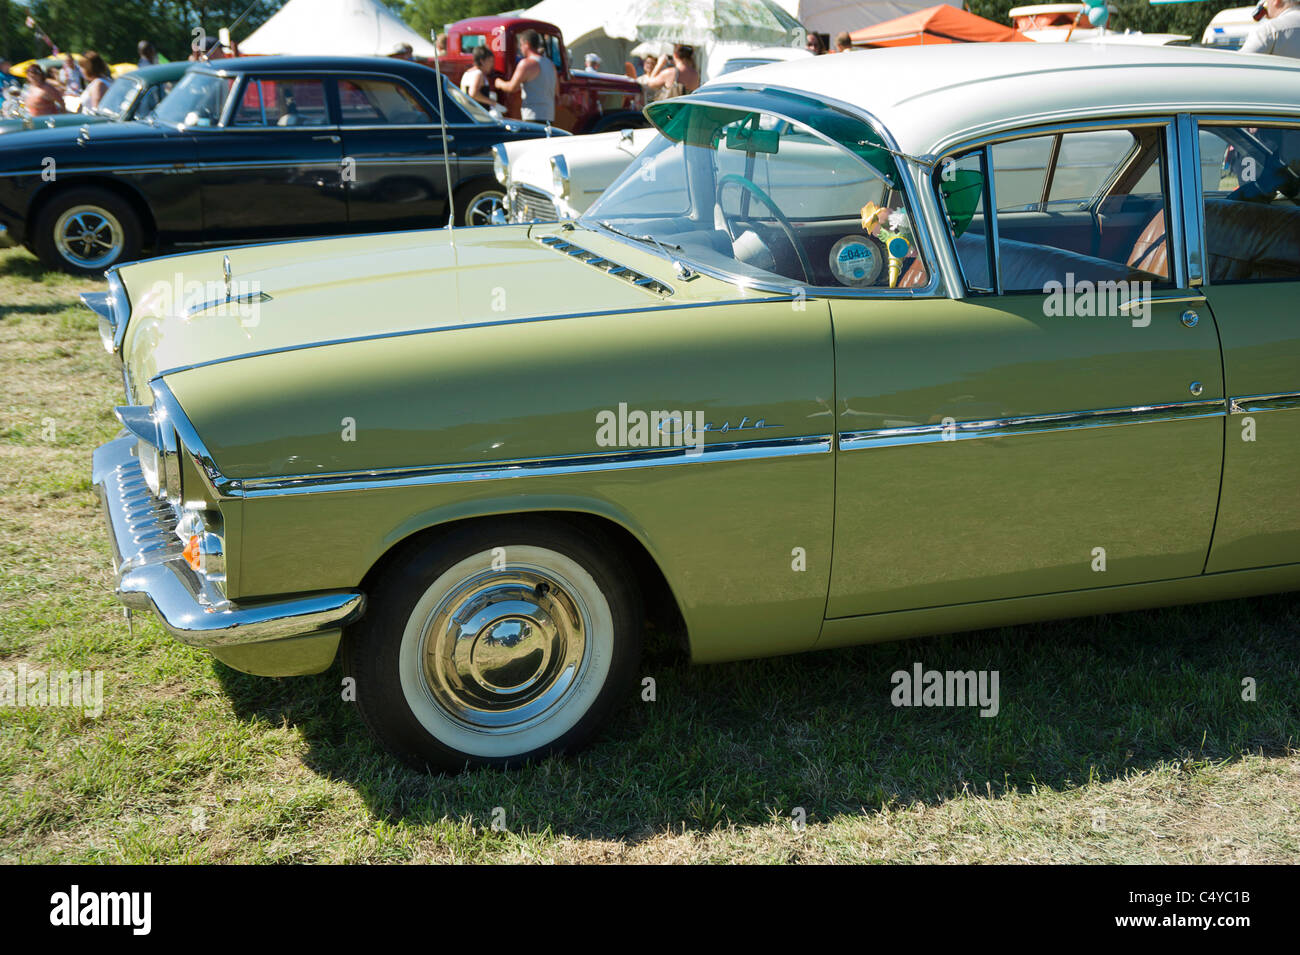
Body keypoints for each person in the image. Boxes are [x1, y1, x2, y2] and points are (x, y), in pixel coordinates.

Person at [494, 29, 556, 123]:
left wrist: (498, 83)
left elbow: (512, 87)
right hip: (549, 116)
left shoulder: (526, 64)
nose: (520, 48)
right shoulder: (550, 64)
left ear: (526, 44)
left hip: (532, 115)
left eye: (521, 45)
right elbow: (556, 91)